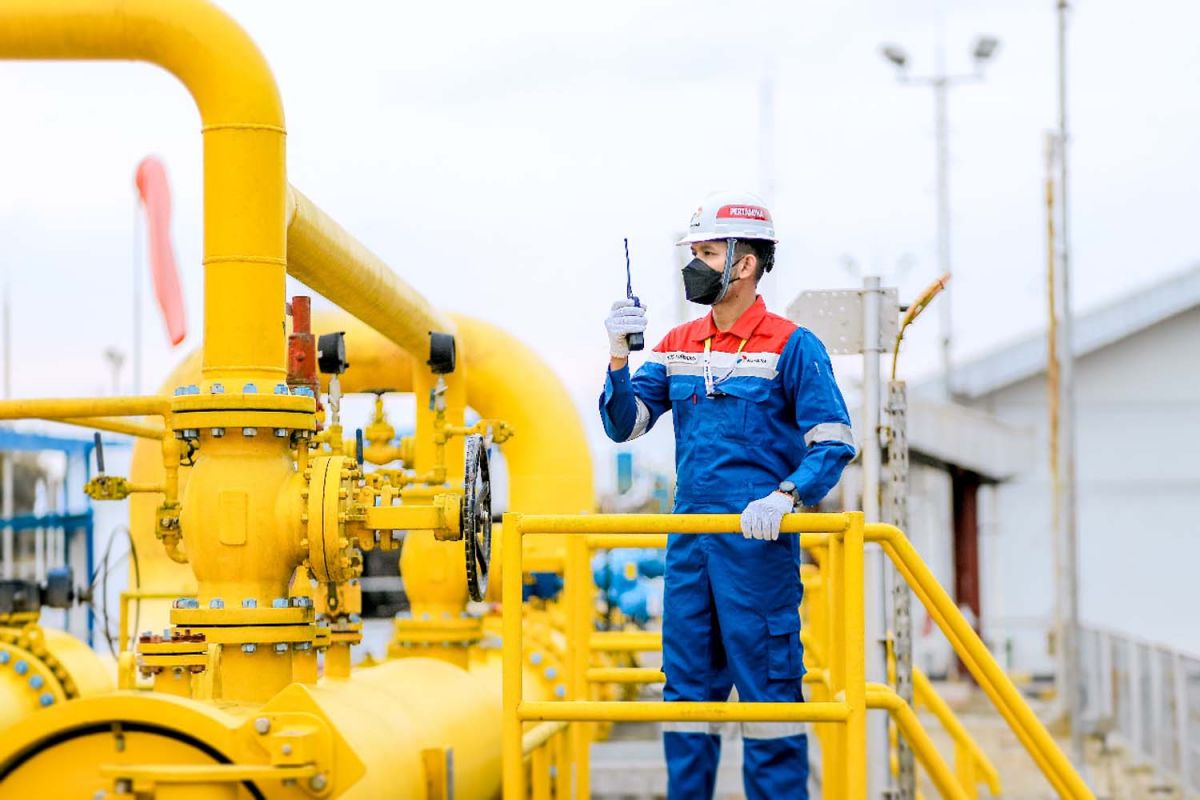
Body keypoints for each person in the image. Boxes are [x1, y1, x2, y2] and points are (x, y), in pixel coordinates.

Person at [599, 191, 856, 799]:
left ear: (744, 263)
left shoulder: (793, 346)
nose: (695, 266)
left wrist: (787, 495)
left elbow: (834, 440)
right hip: (691, 549)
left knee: (770, 702)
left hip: (758, 551)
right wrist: (617, 356)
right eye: (694, 253)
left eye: (708, 253)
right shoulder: (677, 344)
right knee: (687, 700)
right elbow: (624, 426)